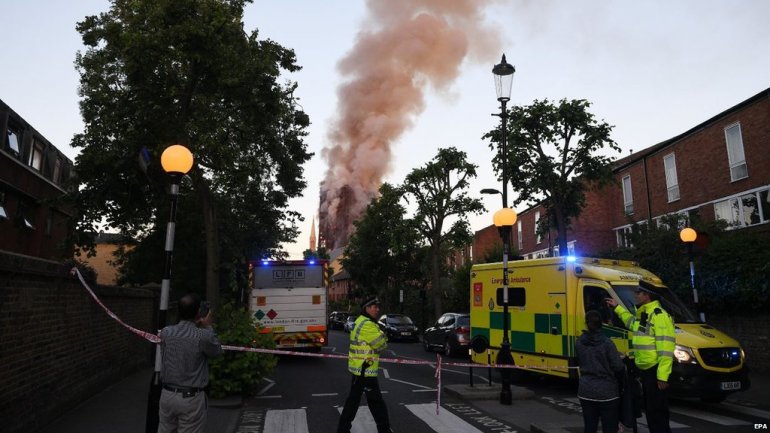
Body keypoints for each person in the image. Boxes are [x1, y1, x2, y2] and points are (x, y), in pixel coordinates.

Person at [606, 280, 675, 433]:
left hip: (655, 371)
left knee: (658, 413)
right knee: (651, 412)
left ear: (647, 295)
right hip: (646, 370)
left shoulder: (659, 316)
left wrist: (662, 376)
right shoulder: (644, 313)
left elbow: (666, 348)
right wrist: (617, 308)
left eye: (638, 293)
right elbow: (632, 324)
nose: (636, 295)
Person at [158, 294, 222, 433]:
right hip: (190, 398)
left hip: (167, 396)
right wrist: (208, 326)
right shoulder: (203, 336)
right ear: (199, 312)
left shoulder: (166, 332)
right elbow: (216, 352)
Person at [337, 296, 392, 433]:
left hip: (361, 369)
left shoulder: (360, 321)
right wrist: (383, 335)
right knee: (375, 403)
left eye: (378, 307)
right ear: (367, 308)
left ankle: (343, 429)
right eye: (375, 307)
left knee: (356, 401)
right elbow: (381, 345)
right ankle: (384, 430)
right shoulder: (368, 324)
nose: (377, 310)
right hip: (365, 369)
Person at [576, 310, 626, 433]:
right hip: (607, 391)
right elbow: (618, 366)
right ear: (602, 324)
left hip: (586, 390)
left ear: (586, 324)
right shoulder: (607, 343)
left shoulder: (579, 342)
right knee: (609, 427)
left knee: (590, 426)